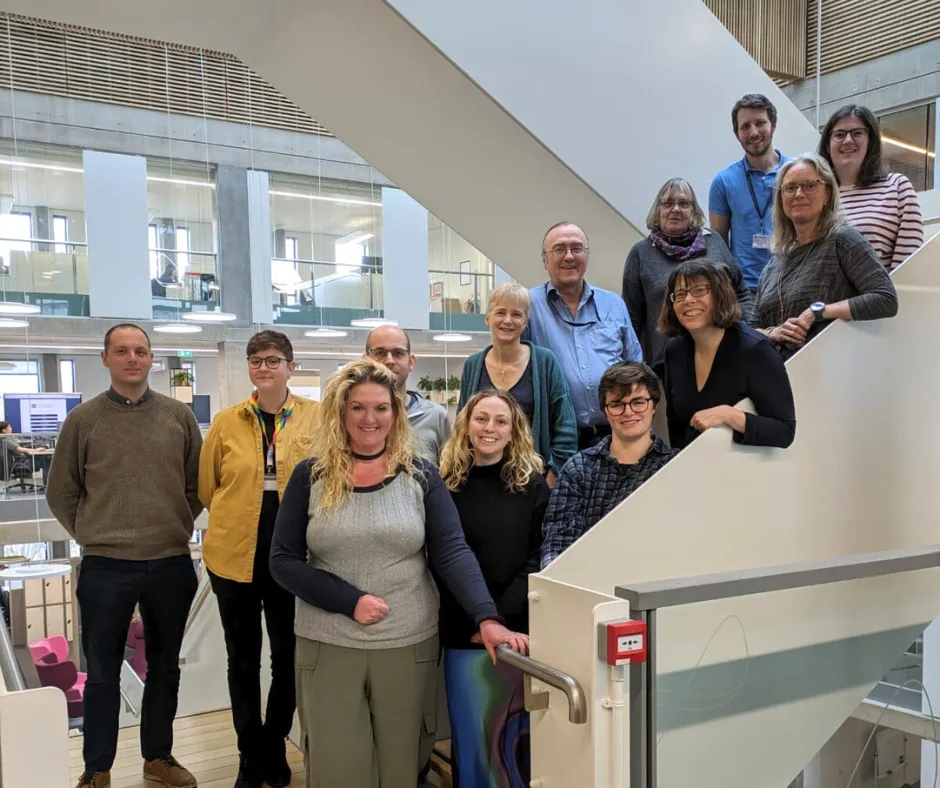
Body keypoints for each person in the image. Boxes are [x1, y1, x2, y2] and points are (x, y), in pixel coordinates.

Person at [269, 359, 528, 788]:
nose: (370, 419)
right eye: (358, 408)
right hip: (328, 643)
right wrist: (348, 600)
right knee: (338, 767)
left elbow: (451, 549)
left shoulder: (419, 473)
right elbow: (282, 560)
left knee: (402, 766)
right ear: (340, 411)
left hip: (408, 643)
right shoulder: (310, 474)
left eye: (381, 408)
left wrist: (488, 617)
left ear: (396, 413)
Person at [46, 324, 203, 788]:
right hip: (105, 566)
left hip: (171, 562)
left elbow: (196, 486)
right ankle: (98, 767)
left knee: (165, 667)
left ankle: (158, 758)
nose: (132, 358)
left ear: (152, 359)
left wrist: (174, 523)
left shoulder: (178, 416)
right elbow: (62, 492)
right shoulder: (84, 420)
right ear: (105, 359)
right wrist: (95, 534)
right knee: (101, 674)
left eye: (140, 351)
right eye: (122, 351)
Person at [198, 330, 321, 788]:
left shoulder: (318, 417)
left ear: (290, 365)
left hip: (295, 556)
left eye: (272, 360)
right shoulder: (227, 421)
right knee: (243, 659)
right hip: (234, 556)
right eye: (256, 361)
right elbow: (208, 488)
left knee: (288, 657)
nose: (264, 368)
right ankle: (251, 757)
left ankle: (273, 743)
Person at [438, 390, 548, 787]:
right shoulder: (444, 487)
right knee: (473, 743)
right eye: (481, 418)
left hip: (517, 636)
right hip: (463, 634)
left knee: (515, 745)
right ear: (466, 426)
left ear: (514, 430)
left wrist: (498, 617)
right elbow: (441, 559)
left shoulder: (533, 488)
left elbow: (541, 556)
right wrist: (478, 619)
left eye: (500, 421)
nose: (490, 428)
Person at [751, 153, 899, 360]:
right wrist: (772, 333)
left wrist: (817, 311)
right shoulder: (775, 262)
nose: (799, 194)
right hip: (777, 376)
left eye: (810, 185)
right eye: (790, 188)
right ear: (781, 199)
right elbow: (750, 329)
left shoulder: (842, 239)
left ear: (827, 193)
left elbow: (885, 298)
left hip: (829, 374)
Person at [540, 362, 675, 568]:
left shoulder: (675, 468)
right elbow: (557, 546)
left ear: (655, 405)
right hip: (590, 587)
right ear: (604, 409)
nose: (628, 412)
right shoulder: (578, 470)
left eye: (638, 402)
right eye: (617, 404)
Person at [526, 221, 643, 451]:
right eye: (559, 249)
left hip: (616, 437)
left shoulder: (614, 304)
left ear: (586, 255)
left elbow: (636, 369)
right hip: (556, 444)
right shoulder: (528, 306)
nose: (569, 256)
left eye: (577, 248)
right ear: (544, 260)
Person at [659, 260, 796, 450]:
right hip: (694, 468)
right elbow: (676, 427)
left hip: (743, 470)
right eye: (680, 294)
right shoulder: (674, 351)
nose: (688, 300)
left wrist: (729, 415)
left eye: (699, 290)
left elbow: (784, 432)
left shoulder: (756, 350)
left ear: (719, 295)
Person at [623, 177, 752, 375]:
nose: (675, 209)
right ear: (658, 209)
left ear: (693, 210)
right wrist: (638, 370)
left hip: (726, 355)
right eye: (667, 203)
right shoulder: (641, 253)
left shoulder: (715, 242)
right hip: (668, 365)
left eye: (684, 203)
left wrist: (745, 331)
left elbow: (741, 293)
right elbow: (632, 319)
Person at [458, 282, 576, 483]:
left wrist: (549, 479)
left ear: (525, 322)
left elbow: (566, 427)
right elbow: (461, 426)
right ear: (487, 319)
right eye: (500, 312)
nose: (507, 320)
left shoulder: (545, 362)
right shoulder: (472, 365)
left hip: (533, 481)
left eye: (516, 314)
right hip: (481, 480)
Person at [818, 104, 924, 272]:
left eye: (857, 133)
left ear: (871, 142)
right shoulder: (814, 194)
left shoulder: (896, 187)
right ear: (827, 145)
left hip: (878, 297)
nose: (848, 140)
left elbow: (908, 267)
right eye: (839, 134)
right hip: (821, 298)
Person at [709, 94, 791, 293]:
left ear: (773, 125)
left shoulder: (796, 174)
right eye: (745, 126)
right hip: (745, 292)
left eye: (760, 123)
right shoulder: (724, 181)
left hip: (789, 285)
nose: (753, 132)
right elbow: (718, 245)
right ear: (737, 134)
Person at [364, 324, 451, 464]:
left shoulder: (436, 417)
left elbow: (451, 475)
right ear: (366, 360)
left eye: (398, 353)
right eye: (380, 353)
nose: (389, 361)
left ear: (411, 362)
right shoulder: (353, 418)